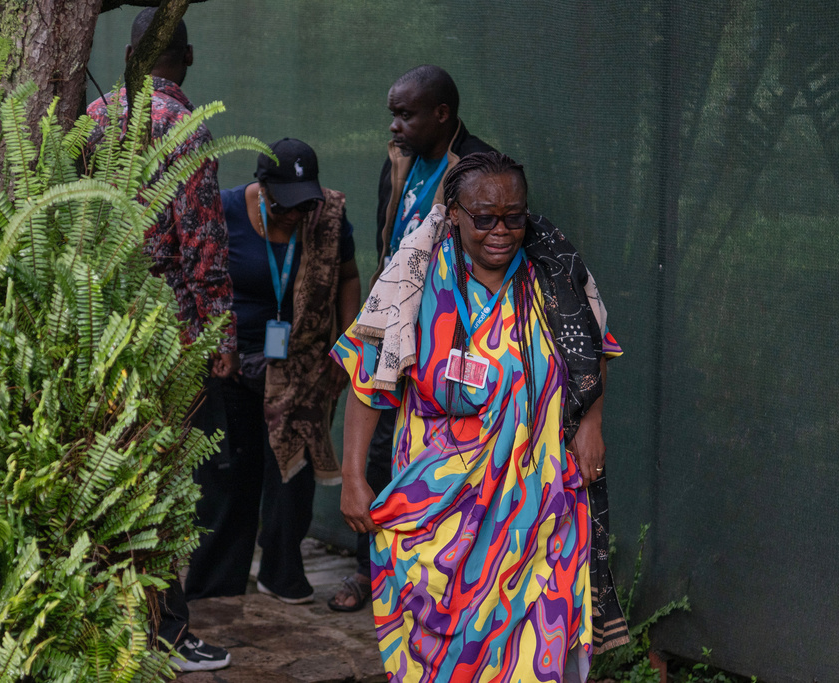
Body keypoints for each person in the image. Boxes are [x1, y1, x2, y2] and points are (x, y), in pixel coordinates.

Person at [331, 152, 625, 681]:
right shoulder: (415, 278)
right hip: (440, 509)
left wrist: (592, 423)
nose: (501, 231)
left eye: (514, 215)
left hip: (540, 507)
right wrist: (352, 476)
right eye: (484, 217)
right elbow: (367, 379)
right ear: (455, 212)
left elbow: (593, 351)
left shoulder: (552, 273)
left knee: (535, 652)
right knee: (447, 657)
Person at [85, 11, 233, 672]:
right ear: (189, 57)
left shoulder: (90, 116)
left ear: (129, 54)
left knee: (107, 468)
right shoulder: (184, 127)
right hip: (166, 330)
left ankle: (107, 619)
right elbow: (202, 242)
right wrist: (217, 336)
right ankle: (166, 630)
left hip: (90, 323)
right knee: (166, 478)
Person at [329, 64, 495, 613]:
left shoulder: (476, 167)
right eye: (392, 114)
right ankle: (366, 570)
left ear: (441, 114)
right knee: (374, 448)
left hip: (445, 334)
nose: (395, 126)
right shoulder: (398, 160)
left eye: (406, 114)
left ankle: (436, 580)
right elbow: (389, 235)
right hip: (389, 321)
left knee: (432, 454)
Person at [184, 138, 361, 604]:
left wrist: (347, 345)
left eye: (304, 204)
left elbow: (347, 277)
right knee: (229, 472)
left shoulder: (328, 221)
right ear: (261, 188)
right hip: (230, 360)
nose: (294, 214)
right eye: (284, 204)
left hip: (301, 362)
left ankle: (281, 570)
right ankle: (217, 581)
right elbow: (193, 277)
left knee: (292, 473)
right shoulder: (223, 211)